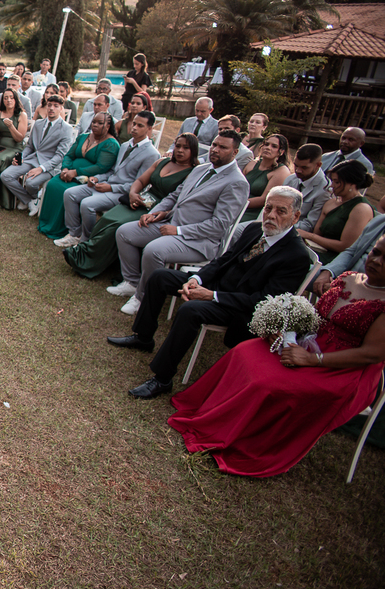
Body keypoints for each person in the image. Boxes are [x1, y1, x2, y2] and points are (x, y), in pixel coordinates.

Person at [167, 240, 385, 479]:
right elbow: (316, 317)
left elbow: (372, 354)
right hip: (310, 342)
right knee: (245, 352)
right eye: (376, 252)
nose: (376, 261)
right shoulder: (348, 278)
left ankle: (242, 437)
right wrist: (285, 330)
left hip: (343, 368)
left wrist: (312, 359)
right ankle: (214, 416)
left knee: (268, 383)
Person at [108, 186, 314, 400]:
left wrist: (211, 296)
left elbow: (262, 301)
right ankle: (143, 338)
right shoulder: (255, 229)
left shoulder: (296, 256)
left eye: (281, 211)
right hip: (218, 285)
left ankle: (162, 378)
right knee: (160, 276)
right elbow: (224, 260)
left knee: (190, 310)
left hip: (239, 306)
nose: (271, 215)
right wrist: (197, 280)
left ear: (295, 216)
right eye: (268, 208)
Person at [112, 131, 251, 315]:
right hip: (170, 223)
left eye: (223, 147)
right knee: (124, 232)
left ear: (235, 152)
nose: (215, 150)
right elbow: (175, 195)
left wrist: (178, 230)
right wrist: (154, 213)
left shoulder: (237, 182)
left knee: (153, 250)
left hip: (198, 240)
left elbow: (219, 225)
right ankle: (132, 282)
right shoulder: (201, 169)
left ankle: (142, 297)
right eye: (214, 145)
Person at [64, 134, 199, 279]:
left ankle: (90, 261)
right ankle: (91, 253)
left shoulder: (192, 173)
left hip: (158, 211)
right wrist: (133, 194)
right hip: (139, 200)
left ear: (193, 150)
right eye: (178, 146)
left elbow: (181, 201)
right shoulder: (162, 162)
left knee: (118, 225)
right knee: (108, 218)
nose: (180, 150)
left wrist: (164, 212)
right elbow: (140, 181)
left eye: (186, 148)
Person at [56, 110, 161, 249]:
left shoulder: (152, 154)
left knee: (87, 204)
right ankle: (74, 234)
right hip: (105, 184)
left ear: (149, 128)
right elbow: (112, 171)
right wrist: (96, 178)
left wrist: (111, 187)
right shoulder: (125, 145)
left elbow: (140, 186)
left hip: (121, 193)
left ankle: (86, 241)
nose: (134, 127)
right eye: (134, 123)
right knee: (70, 194)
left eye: (140, 125)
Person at [38, 112, 120, 240]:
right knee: (53, 184)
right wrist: (65, 169)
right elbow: (69, 155)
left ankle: (65, 229)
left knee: (65, 190)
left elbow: (101, 167)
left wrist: (76, 172)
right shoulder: (83, 137)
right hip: (69, 172)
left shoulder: (111, 144)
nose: (95, 125)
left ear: (108, 126)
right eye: (94, 122)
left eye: (100, 123)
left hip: (87, 178)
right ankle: (48, 224)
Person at [1, 94, 74, 214]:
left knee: (30, 183)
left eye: (56, 106)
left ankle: (32, 199)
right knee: (6, 175)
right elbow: (30, 146)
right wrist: (20, 157)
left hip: (50, 164)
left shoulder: (66, 128)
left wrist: (41, 168)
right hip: (32, 159)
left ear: (61, 108)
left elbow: (60, 156)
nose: (51, 108)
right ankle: (30, 200)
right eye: (49, 105)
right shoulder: (38, 123)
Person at [299, 160, 375, 263]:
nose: (332, 185)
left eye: (337, 182)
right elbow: (317, 233)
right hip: (315, 249)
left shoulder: (361, 209)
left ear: (351, 184)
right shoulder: (330, 203)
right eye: (332, 181)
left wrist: (309, 235)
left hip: (335, 259)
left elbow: (345, 246)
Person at [238, 132, 291, 222]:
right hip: (237, 202)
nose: (268, 148)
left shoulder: (281, 171)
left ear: (281, 152)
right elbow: (238, 186)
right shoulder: (252, 164)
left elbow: (265, 199)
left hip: (254, 211)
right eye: (266, 144)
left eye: (274, 146)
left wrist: (238, 203)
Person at [286, 143, 331, 233]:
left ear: (318, 165)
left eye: (304, 167)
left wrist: (281, 225)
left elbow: (309, 225)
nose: (298, 170)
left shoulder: (324, 190)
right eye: (296, 165)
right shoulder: (290, 179)